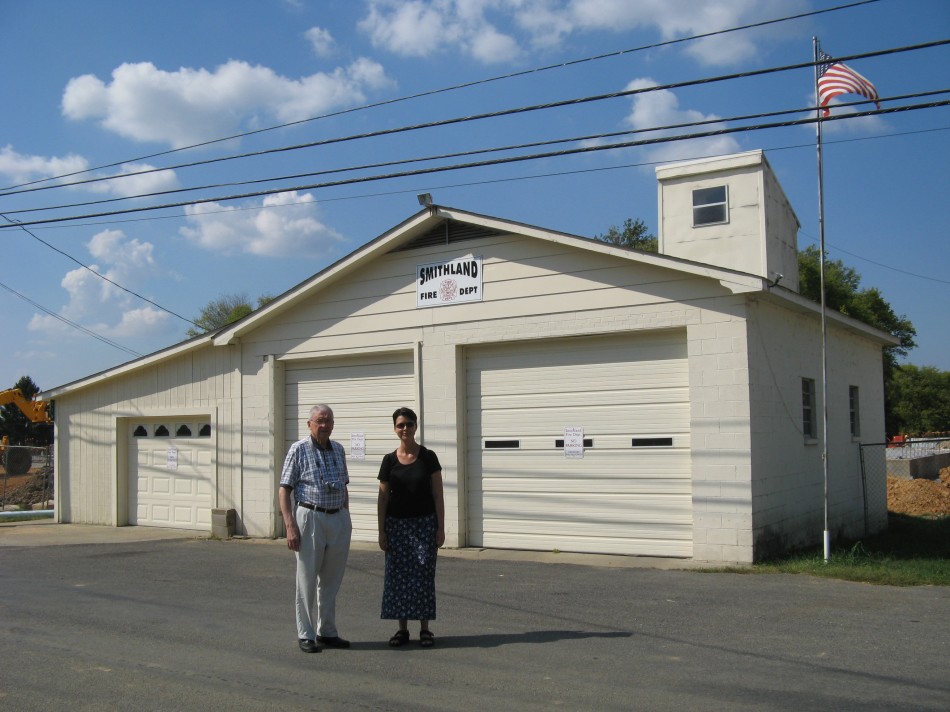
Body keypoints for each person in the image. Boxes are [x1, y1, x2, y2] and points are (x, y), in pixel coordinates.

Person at [279, 404, 353, 654]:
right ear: (309, 423)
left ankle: (327, 631)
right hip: (310, 517)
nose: (324, 425)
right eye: (320, 421)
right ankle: (306, 634)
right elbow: (284, 488)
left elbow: (343, 486)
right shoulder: (298, 449)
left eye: (328, 421)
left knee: (331, 580)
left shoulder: (339, 450)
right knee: (307, 579)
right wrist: (289, 524)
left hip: (337, 519)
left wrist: (346, 517)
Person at [377, 406, 445, 648]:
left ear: (416, 426)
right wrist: (381, 530)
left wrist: (440, 528)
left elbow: (438, 494)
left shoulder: (428, 457)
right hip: (396, 527)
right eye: (400, 425)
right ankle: (402, 629)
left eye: (409, 424)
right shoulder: (389, 460)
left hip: (424, 525)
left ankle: (425, 629)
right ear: (395, 428)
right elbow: (383, 498)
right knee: (398, 578)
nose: (405, 428)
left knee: (424, 576)